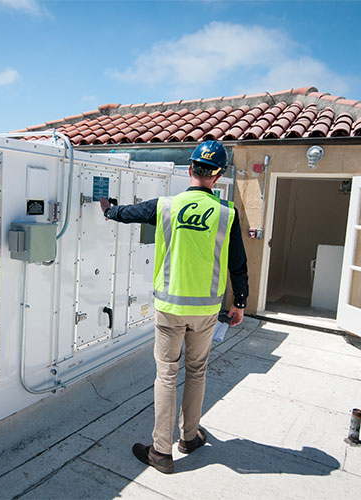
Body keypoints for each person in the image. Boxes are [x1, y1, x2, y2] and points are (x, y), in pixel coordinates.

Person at [99, 140, 248, 474]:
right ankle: (190, 437)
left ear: (190, 169)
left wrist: (109, 209)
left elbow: (129, 214)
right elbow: (238, 263)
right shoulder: (227, 214)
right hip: (206, 311)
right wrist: (239, 303)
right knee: (197, 371)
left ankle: (161, 451)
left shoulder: (166, 206)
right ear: (218, 175)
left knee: (166, 374)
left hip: (170, 308)